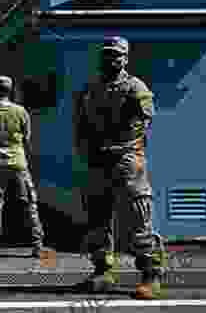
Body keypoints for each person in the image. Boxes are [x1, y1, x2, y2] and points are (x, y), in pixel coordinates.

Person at [73, 37, 166, 300]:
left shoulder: (135, 87)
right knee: (97, 217)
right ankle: (103, 270)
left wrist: (127, 146)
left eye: (117, 55)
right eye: (107, 55)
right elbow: (80, 123)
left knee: (139, 214)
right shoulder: (90, 88)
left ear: (126, 58)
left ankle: (151, 273)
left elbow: (146, 122)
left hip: (127, 158)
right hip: (97, 159)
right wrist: (84, 149)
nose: (112, 60)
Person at [0, 75, 45, 259]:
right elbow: (27, 138)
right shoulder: (21, 111)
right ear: (10, 90)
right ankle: (37, 246)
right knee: (29, 203)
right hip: (18, 162)